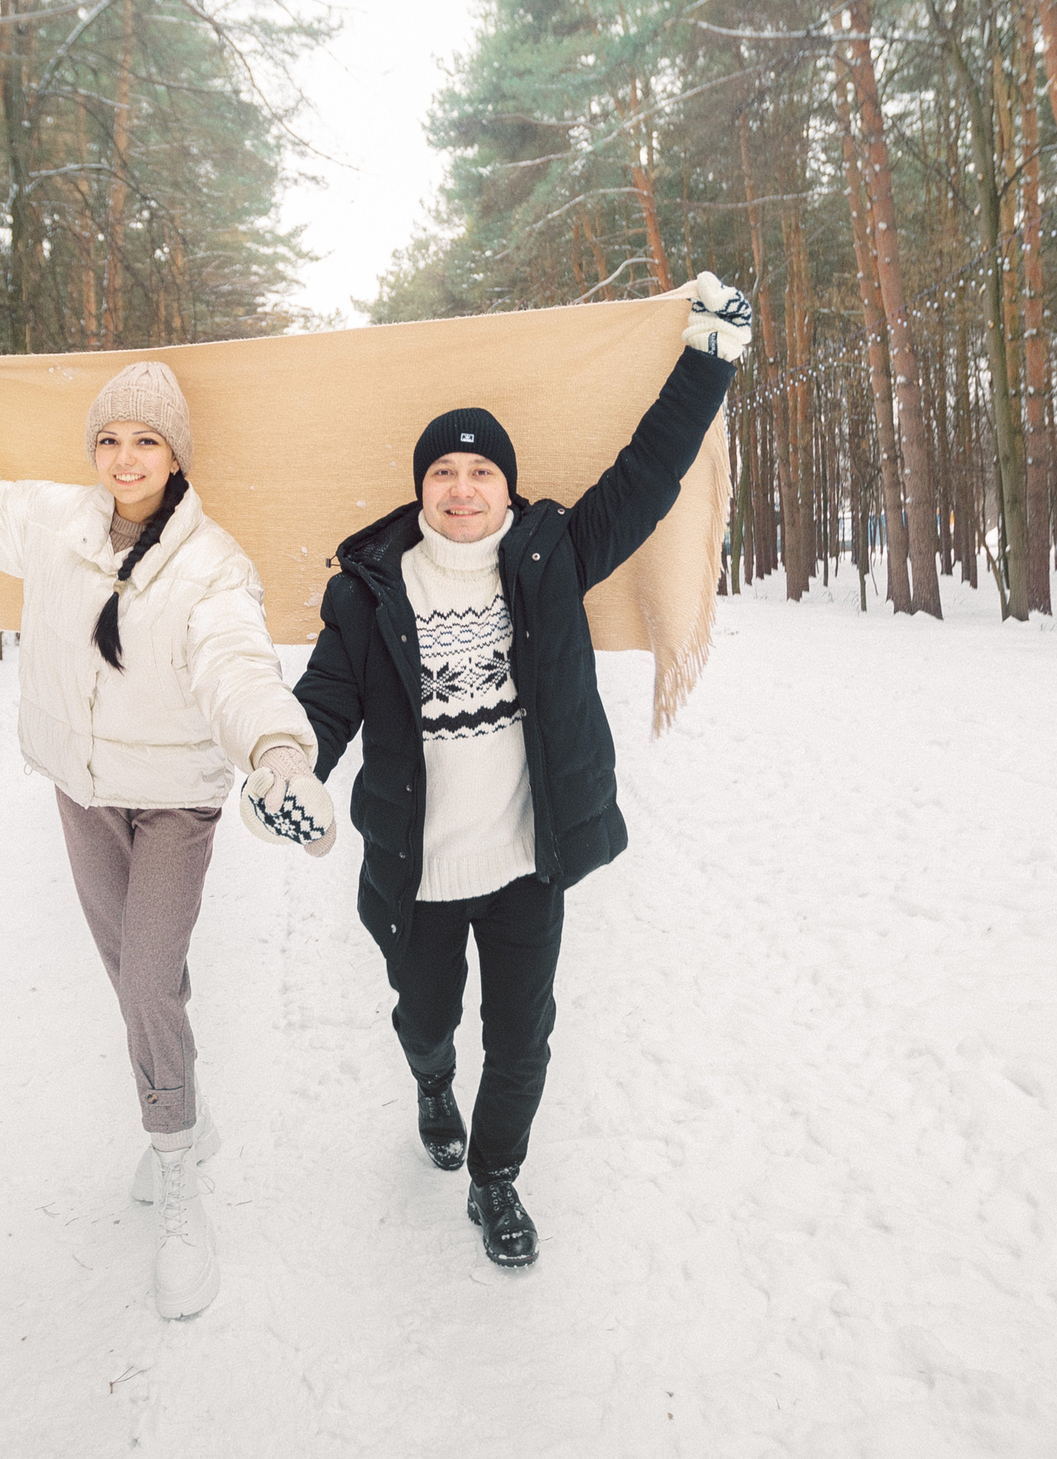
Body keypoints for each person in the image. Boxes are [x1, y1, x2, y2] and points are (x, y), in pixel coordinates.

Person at [292, 274, 754, 1268]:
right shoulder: (368, 591)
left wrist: (708, 360)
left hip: (522, 866)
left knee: (520, 1039)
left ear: (508, 486)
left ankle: (495, 1177)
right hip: (414, 872)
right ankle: (430, 1081)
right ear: (420, 488)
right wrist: (287, 762)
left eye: (481, 471)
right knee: (425, 1018)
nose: (462, 489)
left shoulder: (553, 558)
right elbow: (324, 701)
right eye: (443, 472)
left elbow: (647, 473)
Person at [0, 349, 337, 1320]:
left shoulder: (212, 564)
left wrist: (276, 752)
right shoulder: (54, 523)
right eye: (109, 438)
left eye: (145, 440)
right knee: (139, 982)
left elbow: (236, 667)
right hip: (82, 792)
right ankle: (186, 1108)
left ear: (175, 455)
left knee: (145, 979)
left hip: (175, 799)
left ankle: (177, 1171)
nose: (125, 457)